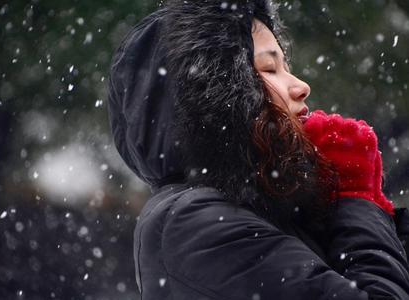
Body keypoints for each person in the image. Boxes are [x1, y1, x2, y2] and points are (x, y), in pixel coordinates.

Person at [107, 0, 409, 299]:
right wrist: (355, 194)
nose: (301, 86)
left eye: (286, 67)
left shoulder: (271, 208)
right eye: (269, 68)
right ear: (215, 99)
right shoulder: (194, 222)